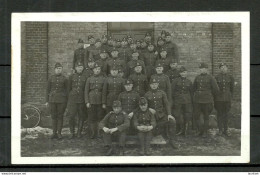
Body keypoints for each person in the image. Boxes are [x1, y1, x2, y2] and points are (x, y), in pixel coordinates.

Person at [144, 78, 177, 148]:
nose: (154, 86)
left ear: (158, 85)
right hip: (151, 116)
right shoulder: (147, 94)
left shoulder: (162, 93)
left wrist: (169, 114)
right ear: (150, 85)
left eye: (155, 84)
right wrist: (148, 109)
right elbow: (144, 105)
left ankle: (172, 140)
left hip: (161, 114)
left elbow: (166, 104)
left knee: (172, 121)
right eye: (152, 84)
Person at [193, 63, 219, 137]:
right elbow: (194, 88)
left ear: (207, 69)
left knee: (206, 116)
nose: (202, 70)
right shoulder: (197, 77)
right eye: (201, 69)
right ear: (200, 70)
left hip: (207, 100)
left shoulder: (211, 78)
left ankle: (205, 132)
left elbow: (216, 89)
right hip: (198, 100)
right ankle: (200, 130)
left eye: (204, 68)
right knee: (197, 116)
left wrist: (210, 96)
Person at [45, 62, 68, 139]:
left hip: (61, 100)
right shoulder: (51, 78)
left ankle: (59, 133)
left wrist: (66, 101)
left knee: (60, 116)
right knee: (54, 116)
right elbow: (47, 90)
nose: (59, 70)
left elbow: (67, 91)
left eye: (60, 69)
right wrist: (46, 101)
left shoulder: (64, 79)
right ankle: (54, 133)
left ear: (61, 70)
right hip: (52, 100)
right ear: (54, 69)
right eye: (57, 69)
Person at [85, 63, 106, 139]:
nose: (97, 71)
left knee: (100, 117)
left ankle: (99, 133)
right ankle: (93, 133)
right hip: (91, 100)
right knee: (91, 117)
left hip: (100, 100)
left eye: (99, 69)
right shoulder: (89, 79)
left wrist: (103, 102)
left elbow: (104, 92)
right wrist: (87, 101)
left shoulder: (103, 79)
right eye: (96, 69)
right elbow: (86, 91)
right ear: (93, 70)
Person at [67, 62, 87, 139]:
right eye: (78, 67)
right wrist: (70, 99)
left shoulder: (85, 77)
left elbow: (86, 89)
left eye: (81, 66)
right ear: (75, 68)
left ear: (83, 68)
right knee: (71, 116)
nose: (80, 68)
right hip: (73, 100)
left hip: (81, 99)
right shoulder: (71, 77)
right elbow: (68, 89)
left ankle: (79, 132)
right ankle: (72, 132)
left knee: (81, 116)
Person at [171, 66, 193, 136]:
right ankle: (179, 129)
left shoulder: (189, 81)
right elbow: (172, 91)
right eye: (181, 73)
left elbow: (191, 92)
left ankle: (186, 131)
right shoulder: (175, 81)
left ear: (186, 73)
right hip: (178, 100)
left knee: (187, 115)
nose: (183, 74)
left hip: (187, 101)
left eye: (184, 72)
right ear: (179, 73)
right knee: (177, 115)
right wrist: (173, 100)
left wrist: (191, 101)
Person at [214, 63, 234, 136]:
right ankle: (220, 130)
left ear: (227, 68)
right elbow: (215, 89)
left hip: (227, 99)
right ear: (219, 69)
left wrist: (231, 98)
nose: (223, 69)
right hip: (219, 99)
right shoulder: (216, 77)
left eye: (225, 67)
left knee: (226, 114)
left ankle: (226, 130)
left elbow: (232, 89)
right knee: (219, 114)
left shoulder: (230, 77)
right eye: (221, 67)